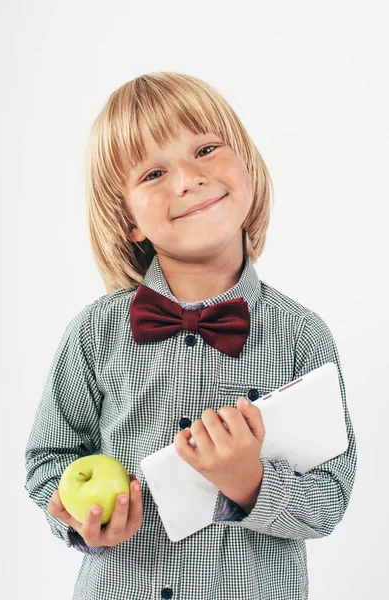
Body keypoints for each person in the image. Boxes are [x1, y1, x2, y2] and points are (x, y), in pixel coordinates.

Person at [24, 72, 357, 600]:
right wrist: (77, 519)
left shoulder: (300, 334)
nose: (187, 178)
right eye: (154, 172)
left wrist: (249, 481)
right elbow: (50, 458)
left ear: (245, 164)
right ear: (129, 220)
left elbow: (331, 500)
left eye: (205, 149)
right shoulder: (94, 333)